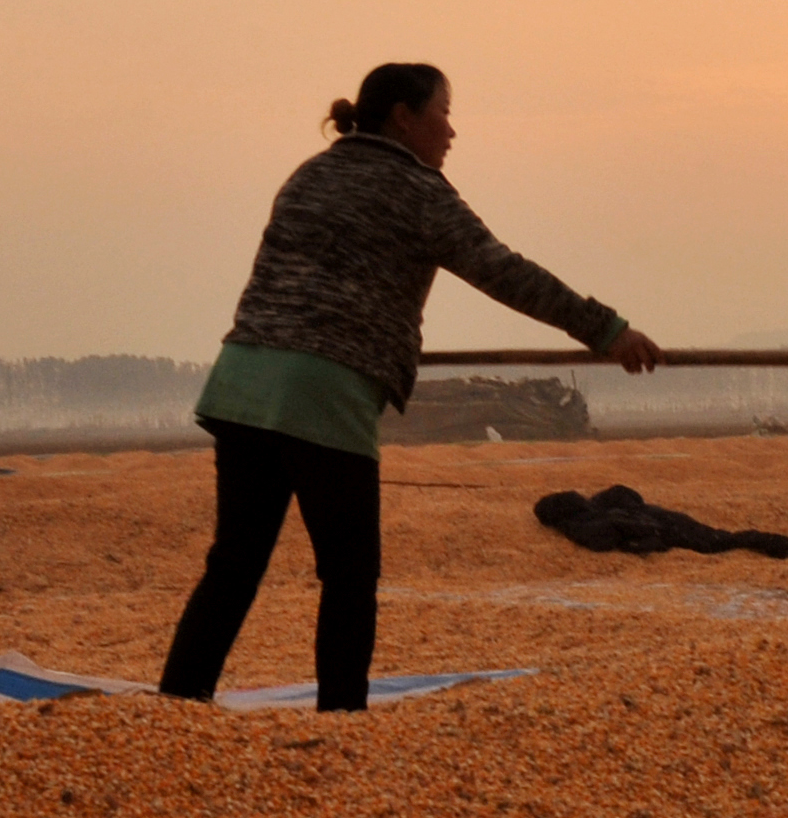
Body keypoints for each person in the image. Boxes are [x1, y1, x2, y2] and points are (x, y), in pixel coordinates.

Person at [160, 64, 660, 707]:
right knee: (349, 576)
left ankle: (176, 709)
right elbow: (503, 272)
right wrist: (607, 330)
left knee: (233, 566)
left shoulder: (310, 174)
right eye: (442, 112)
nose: (451, 130)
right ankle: (341, 722)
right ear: (403, 116)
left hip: (245, 381)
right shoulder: (418, 191)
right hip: (324, 390)